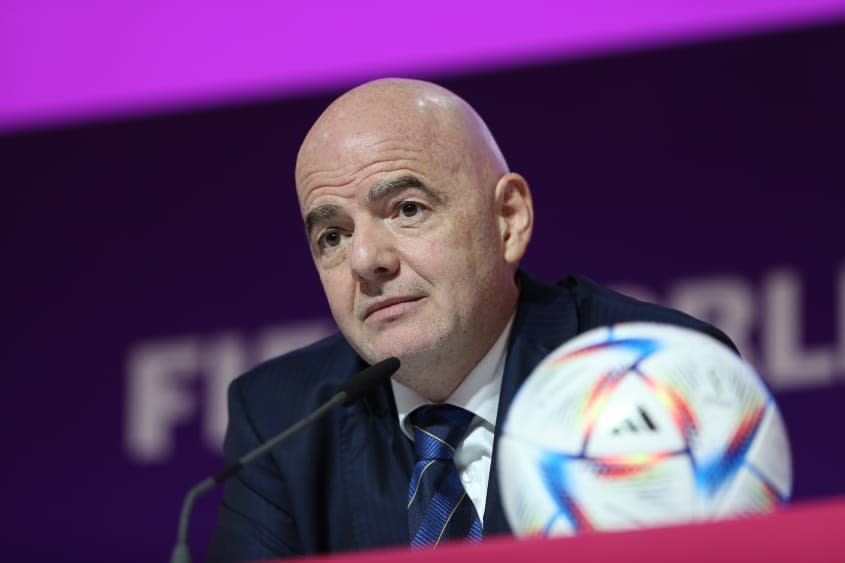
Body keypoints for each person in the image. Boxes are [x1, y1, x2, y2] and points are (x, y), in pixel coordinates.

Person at [206, 78, 733, 562]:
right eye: (333, 237)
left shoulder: (656, 375)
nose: (365, 260)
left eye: (407, 209)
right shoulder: (281, 418)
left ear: (508, 220)